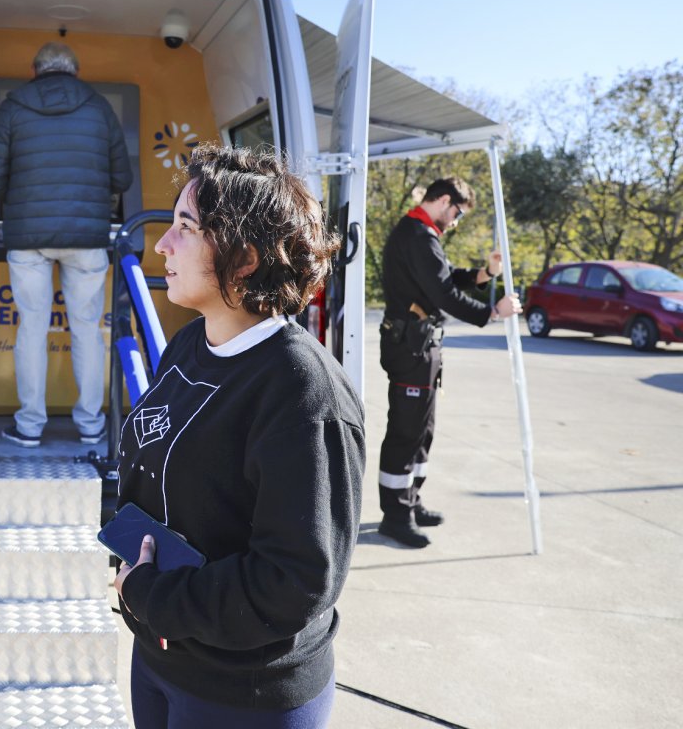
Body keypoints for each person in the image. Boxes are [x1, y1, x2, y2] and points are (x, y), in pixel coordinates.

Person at [113, 143, 365, 729]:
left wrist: (154, 597)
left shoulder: (303, 392)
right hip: (160, 657)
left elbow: (293, 581)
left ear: (245, 258)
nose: (162, 245)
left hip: (243, 693)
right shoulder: (187, 345)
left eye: (184, 227)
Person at [0, 41, 132, 447]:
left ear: (35, 70)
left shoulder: (13, 107)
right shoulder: (99, 108)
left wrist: (21, 197)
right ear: (75, 71)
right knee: (87, 328)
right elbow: (123, 179)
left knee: (31, 326)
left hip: (27, 237)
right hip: (87, 238)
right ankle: (91, 424)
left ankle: (29, 426)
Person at [376, 177, 521, 548]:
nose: (456, 220)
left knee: (422, 432)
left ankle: (411, 501)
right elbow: (444, 294)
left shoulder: (422, 234)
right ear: (443, 200)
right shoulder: (418, 236)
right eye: (456, 212)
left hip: (419, 346)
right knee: (406, 433)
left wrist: (485, 275)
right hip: (411, 347)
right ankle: (395, 517)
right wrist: (493, 312)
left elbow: (446, 277)